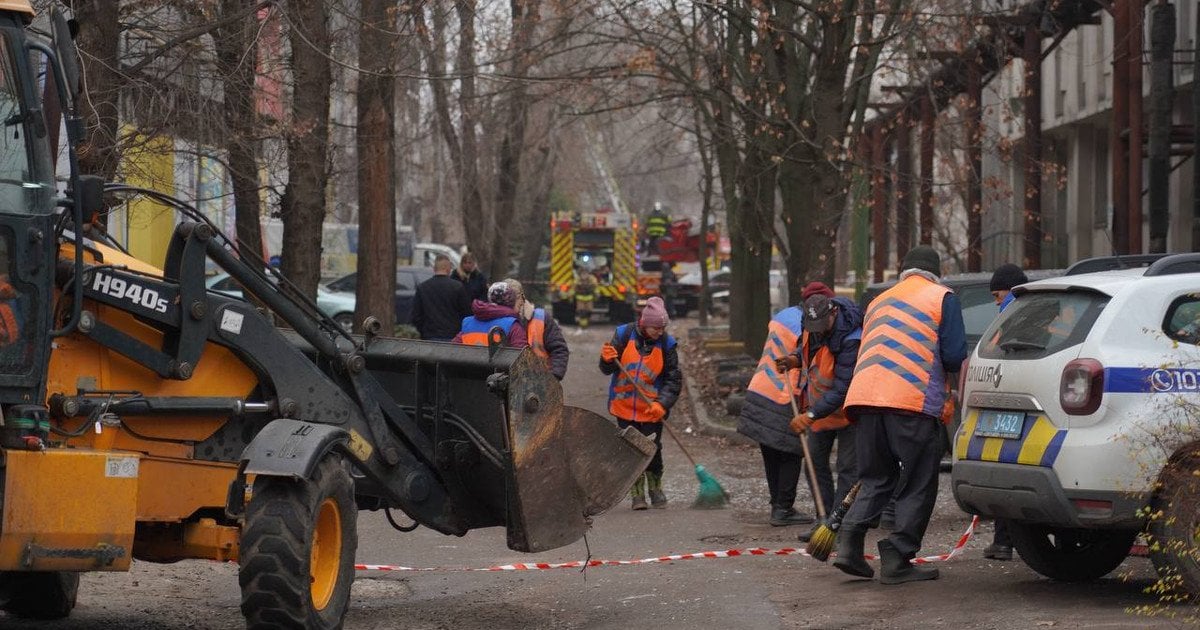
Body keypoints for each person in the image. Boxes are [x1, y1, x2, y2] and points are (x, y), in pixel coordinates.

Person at [831, 245, 968, 584]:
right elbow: (953, 355)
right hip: (911, 402)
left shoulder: (880, 300)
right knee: (918, 481)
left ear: (904, 271)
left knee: (877, 477)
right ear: (935, 273)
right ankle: (897, 557)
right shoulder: (941, 297)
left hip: (865, 399)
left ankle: (849, 543)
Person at [774, 282, 864, 541]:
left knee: (847, 468)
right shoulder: (812, 325)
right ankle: (822, 518)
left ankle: (839, 525)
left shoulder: (851, 340)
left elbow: (842, 388)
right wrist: (793, 359)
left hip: (848, 413)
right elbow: (809, 352)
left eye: (819, 327)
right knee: (814, 464)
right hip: (820, 412)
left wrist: (811, 415)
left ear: (832, 313)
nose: (815, 332)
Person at [599, 296, 682, 510]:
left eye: (663, 327)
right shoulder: (623, 335)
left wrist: (662, 404)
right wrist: (606, 359)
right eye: (656, 328)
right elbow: (607, 369)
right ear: (645, 324)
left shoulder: (667, 344)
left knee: (653, 449)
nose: (660, 332)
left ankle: (655, 488)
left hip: (652, 408)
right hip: (623, 407)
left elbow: (673, 379)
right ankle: (637, 494)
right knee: (631, 450)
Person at [737, 297, 814, 527]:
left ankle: (777, 504)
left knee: (771, 452)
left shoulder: (783, 315)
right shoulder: (806, 325)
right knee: (791, 451)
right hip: (784, 394)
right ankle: (783, 509)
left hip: (761, 386)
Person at [982, 263, 1028, 562]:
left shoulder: (1013, 313)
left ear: (1010, 290)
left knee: (1003, 474)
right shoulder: (1039, 312)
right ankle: (1008, 541)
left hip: (1006, 404)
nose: (996, 302)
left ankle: (1003, 541)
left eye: (998, 295)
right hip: (1026, 405)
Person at [513, 279, 570, 380]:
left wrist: (553, 377)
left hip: (541, 380)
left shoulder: (542, 318)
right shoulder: (499, 320)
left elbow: (559, 349)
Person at [410, 255, 471, 341]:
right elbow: (466, 313)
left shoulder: (422, 288)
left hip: (429, 336)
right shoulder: (457, 287)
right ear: (448, 268)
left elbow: (416, 316)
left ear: (434, 268)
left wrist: (423, 331)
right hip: (453, 336)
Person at [453, 281, 528, 348]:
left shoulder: (467, 323)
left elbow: (453, 350)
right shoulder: (513, 325)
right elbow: (522, 358)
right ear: (511, 301)